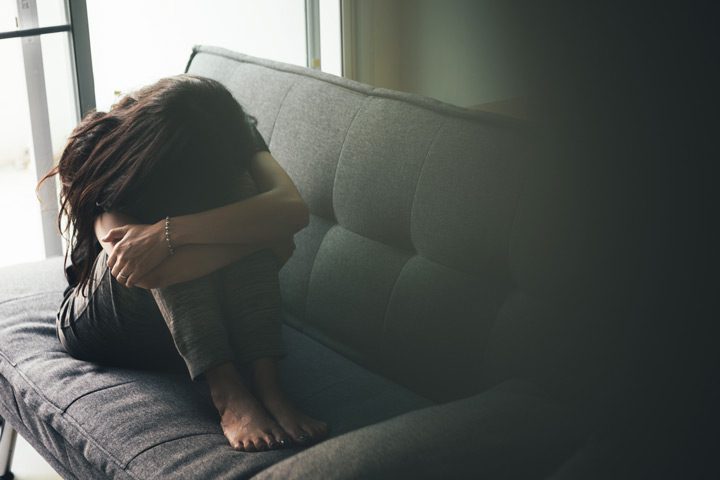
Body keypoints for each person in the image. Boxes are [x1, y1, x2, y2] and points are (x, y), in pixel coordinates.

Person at [36, 74, 328, 453]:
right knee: (216, 229)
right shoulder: (108, 148)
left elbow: (291, 208)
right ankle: (227, 392)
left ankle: (268, 384)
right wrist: (261, 238)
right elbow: (145, 267)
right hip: (106, 320)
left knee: (243, 195)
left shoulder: (221, 127)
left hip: (197, 318)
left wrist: (171, 231)